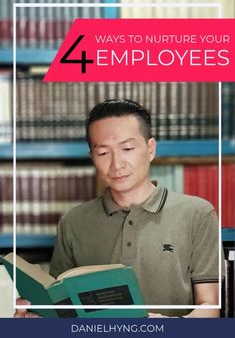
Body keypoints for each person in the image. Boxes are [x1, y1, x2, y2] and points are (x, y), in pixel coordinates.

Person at [16, 99, 223, 318]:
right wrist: (37, 318)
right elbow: (62, 309)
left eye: (128, 148)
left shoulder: (197, 214)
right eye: (103, 153)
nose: (116, 164)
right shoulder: (73, 222)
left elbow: (210, 307)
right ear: (92, 158)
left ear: (150, 149)